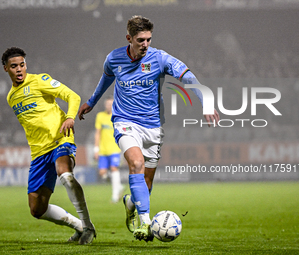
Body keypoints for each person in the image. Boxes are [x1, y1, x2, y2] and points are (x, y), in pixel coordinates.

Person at [78, 15, 220, 242]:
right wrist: (92, 102)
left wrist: (206, 102)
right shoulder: (113, 58)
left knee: (146, 182)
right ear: (129, 38)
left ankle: (131, 203)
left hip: (153, 126)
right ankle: (145, 222)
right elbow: (105, 80)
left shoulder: (160, 58)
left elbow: (188, 76)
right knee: (136, 164)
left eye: (148, 39)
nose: (145, 44)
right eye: (140, 40)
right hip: (125, 121)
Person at [2, 47, 96, 245]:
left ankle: (88, 226)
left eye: (22, 65)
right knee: (37, 209)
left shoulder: (40, 80)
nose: (19, 69)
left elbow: (73, 96)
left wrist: (70, 117)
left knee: (65, 174)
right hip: (38, 152)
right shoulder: (11, 96)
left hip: (60, 138)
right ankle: (78, 226)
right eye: (14, 66)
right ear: (6, 69)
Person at [94, 96, 124, 203]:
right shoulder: (100, 116)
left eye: (111, 104)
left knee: (114, 169)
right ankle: (119, 186)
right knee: (103, 173)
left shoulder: (118, 116)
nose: (109, 106)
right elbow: (97, 133)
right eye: (107, 104)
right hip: (103, 150)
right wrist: (96, 149)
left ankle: (115, 196)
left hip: (115, 149)